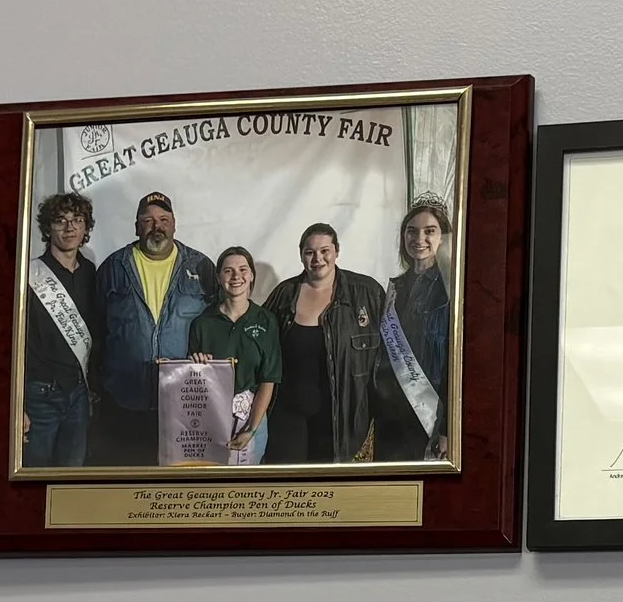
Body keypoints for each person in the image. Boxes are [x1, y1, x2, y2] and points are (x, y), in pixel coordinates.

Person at [93, 191, 217, 465]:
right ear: (137, 226)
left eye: (163, 219)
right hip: (124, 399)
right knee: (126, 481)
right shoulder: (114, 267)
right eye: (147, 220)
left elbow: (216, 325)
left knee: (177, 483)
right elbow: (97, 329)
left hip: (184, 402)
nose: (156, 226)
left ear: (174, 224)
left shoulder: (201, 266)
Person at [261, 222, 390, 464]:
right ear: (301, 255)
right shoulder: (283, 294)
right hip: (288, 417)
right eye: (309, 252)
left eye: (324, 251)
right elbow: (258, 344)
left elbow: (388, 357)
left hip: (341, 420)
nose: (317, 258)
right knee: (289, 489)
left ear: (336, 252)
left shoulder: (367, 293)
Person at [20, 190, 102, 467]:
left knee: (72, 473)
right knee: (34, 474)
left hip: (79, 392)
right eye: (60, 220)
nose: (69, 228)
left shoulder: (91, 272)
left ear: (86, 227)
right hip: (39, 395)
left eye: (77, 220)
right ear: (47, 228)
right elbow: (13, 346)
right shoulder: (28, 276)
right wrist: (18, 406)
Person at [373, 197, 454, 461]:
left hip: (430, 414)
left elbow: (457, 363)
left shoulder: (451, 291)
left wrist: (447, 427)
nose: (419, 238)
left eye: (429, 231)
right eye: (412, 231)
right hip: (390, 414)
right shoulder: (394, 288)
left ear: (442, 237)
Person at [185, 247, 282, 463]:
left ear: (252, 275)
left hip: (251, 416)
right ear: (219, 278)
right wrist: (196, 365)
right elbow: (191, 383)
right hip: (211, 418)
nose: (236, 276)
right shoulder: (201, 324)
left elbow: (268, 379)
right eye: (228, 271)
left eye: (242, 269)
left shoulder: (267, 321)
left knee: (246, 485)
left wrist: (252, 429)